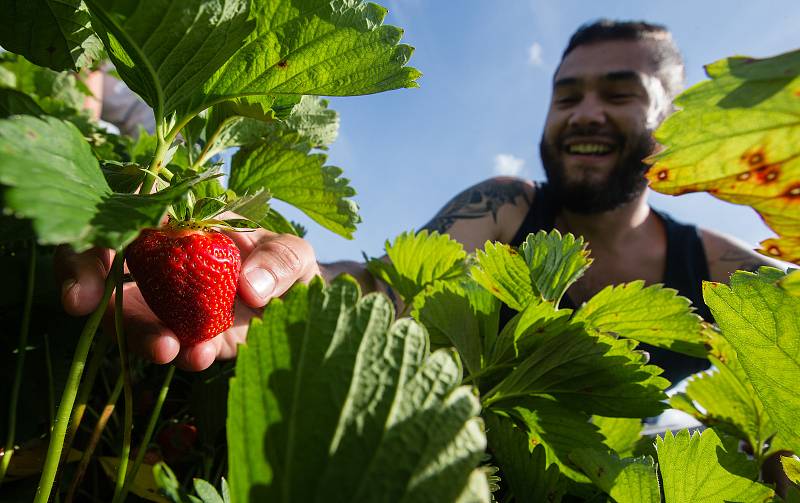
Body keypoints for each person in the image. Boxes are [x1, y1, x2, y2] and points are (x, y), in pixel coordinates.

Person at [56, 19, 782, 376]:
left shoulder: (723, 274)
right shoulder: (503, 208)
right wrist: (283, 292)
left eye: (619, 93)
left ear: (676, 121)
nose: (584, 112)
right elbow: (382, 289)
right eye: (567, 94)